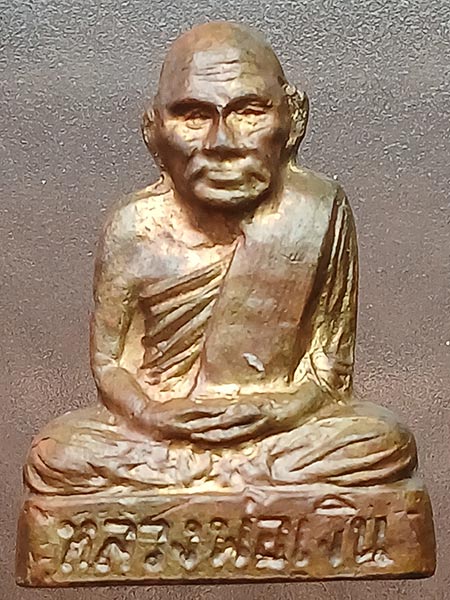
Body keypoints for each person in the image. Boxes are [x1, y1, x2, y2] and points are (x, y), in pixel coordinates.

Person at [25, 22, 416, 496]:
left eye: (248, 112)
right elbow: (110, 364)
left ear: (294, 118)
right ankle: (239, 482)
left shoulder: (319, 210)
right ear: (153, 131)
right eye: (193, 116)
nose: (222, 143)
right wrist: (153, 413)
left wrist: (279, 410)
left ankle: (203, 482)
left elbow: (329, 369)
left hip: (278, 432)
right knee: (56, 453)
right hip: (161, 432)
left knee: (384, 442)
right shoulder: (134, 226)